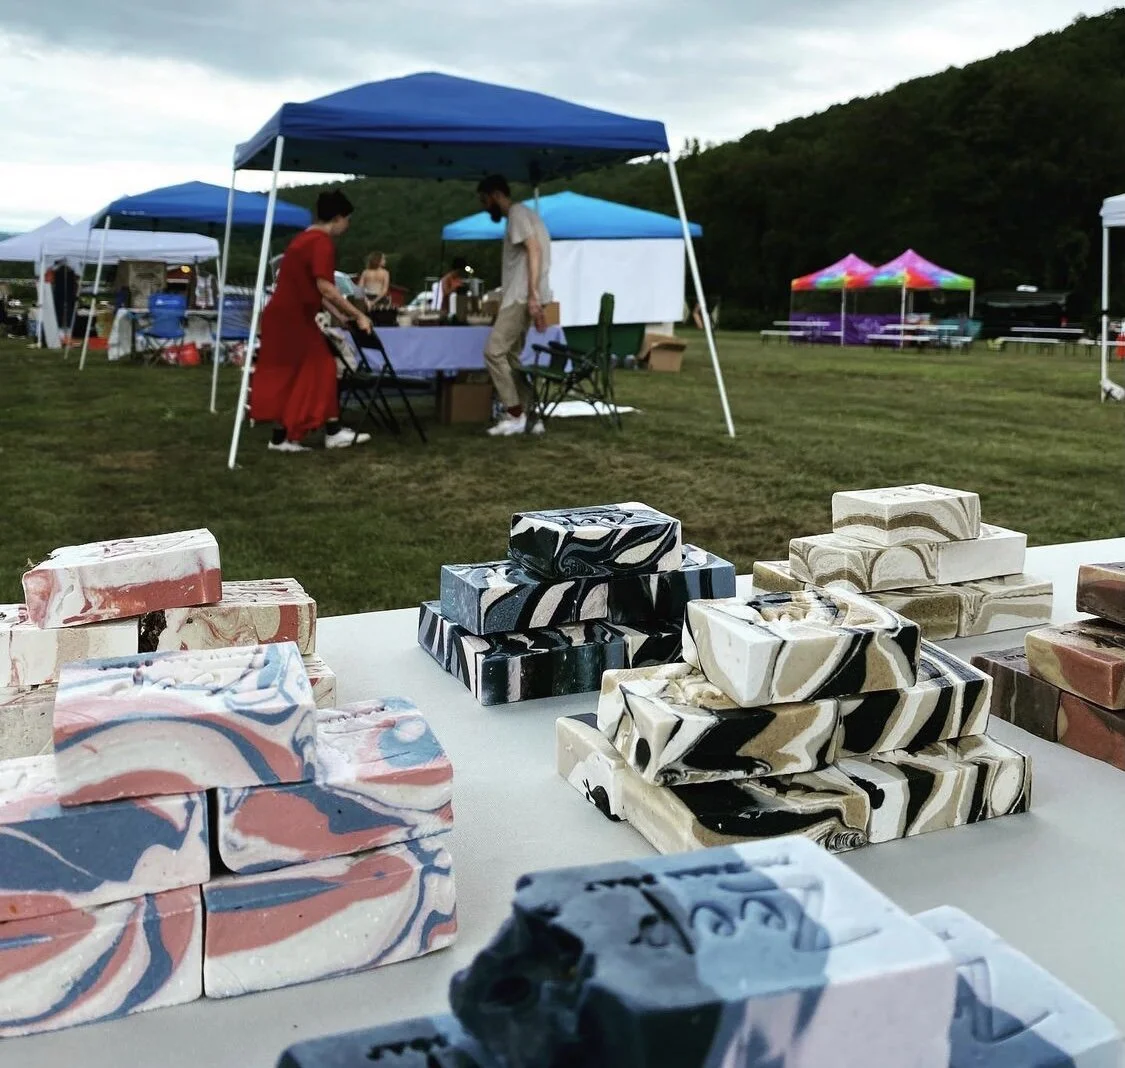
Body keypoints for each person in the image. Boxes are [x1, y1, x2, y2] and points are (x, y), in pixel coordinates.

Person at [250, 189, 373, 453]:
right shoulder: (321, 242)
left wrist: (340, 316)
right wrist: (359, 314)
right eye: (347, 219)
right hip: (292, 319)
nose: (347, 225)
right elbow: (326, 287)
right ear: (338, 217)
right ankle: (331, 431)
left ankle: (281, 437)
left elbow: (312, 288)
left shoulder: (302, 239)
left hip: (282, 317)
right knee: (323, 367)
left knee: (290, 376)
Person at [476, 175, 551, 437]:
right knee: (510, 357)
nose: (484, 206)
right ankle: (530, 415)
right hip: (523, 295)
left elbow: (534, 250)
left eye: (485, 200)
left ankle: (515, 414)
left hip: (520, 297)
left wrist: (532, 295)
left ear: (496, 195)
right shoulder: (525, 214)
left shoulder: (518, 213)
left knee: (493, 352)